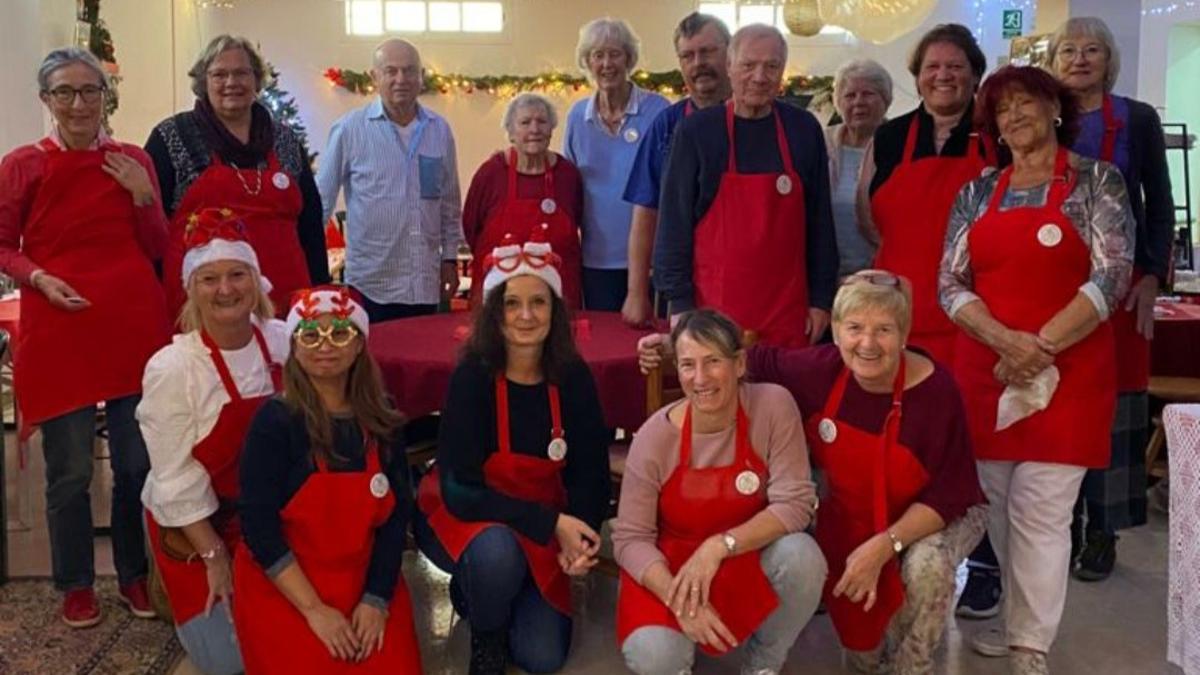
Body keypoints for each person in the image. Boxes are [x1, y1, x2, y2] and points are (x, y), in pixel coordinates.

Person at [636, 273, 988, 674]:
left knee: (926, 568)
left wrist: (885, 544)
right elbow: (749, 357)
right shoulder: (822, 370)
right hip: (854, 518)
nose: (867, 344)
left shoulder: (937, 391)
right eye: (855, 328)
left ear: (905, 333)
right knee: (864, 657)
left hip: (936, 517)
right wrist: (674, 345)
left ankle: (914, 666)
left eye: (883, 330)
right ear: (835, 333)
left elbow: (949, 495)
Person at [940, 66, 1134, 675]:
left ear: (1055, 108)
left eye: (1026, 103)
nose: (1014, 117)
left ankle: (1031, 646)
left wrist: (1039, 347)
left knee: (1042, 510)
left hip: (1069, 372)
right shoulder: (978, 191)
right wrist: (1006, 343)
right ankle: (1015, 620)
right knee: (996, 507)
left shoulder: (1097, 180)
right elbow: (949, 281)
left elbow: (1113, 273)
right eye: (1002, 110)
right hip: (987, 369)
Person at [0, 47, 170, 627]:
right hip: (59, 323)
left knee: (137, 463)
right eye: (65, 93)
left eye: (89, 92)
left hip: (130, 323)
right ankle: (75, 582)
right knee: (70, 468)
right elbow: (3, 245)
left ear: (105, 98)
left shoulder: (133, 161)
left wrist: (143, 196)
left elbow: (157, 246)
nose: (79, 104)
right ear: (47, 100)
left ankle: (133, 574)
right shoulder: (22, 164)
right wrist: (38, 277)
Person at [854, 23, 1001, 618]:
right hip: (900, 317)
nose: (943, 75)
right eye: (932, 66)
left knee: (972, 443)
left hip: (975, 318)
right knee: (898, 438)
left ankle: (985, 562)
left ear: (974, 73)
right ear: (916, 76)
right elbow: (870, 216)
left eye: (956, 66)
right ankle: (887, 553)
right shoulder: (891, 137)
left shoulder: (996, 139)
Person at [414, 239, 611, 674]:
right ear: (494, 312)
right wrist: (553, 525)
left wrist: (580, 536)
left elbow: (591, 473)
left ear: (555, 310)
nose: (526, 316)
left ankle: (495, 591)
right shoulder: (473, 375)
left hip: (539, 525)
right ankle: (485, 632)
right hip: (469, 518)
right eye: (513, 303)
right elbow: (461, 491)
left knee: (542, 658)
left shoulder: (574, 376)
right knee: (497, 555)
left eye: (538, 302)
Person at [615, 309, 826, 675]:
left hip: (741, 555)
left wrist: (717, 547)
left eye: (713, 362)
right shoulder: (654, 437)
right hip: (671, 570)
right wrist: (680, 601)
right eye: (687, 365)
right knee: (655, 656)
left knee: (803, 558)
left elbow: (795, 505)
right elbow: (630, 539)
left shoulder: (773, 406)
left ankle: (763, 663)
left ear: (740, 363)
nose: (700, 378)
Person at [234, 285, 422, 674]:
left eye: (339, 332)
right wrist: (315, 611)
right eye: (310, 335)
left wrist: (376, 599)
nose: (325, 346)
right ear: (294, 347)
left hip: (362, 576)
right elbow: (258, 529)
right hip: (287, 583)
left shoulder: (382, 418)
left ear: (359, 346)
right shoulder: (275, 422)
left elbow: (396, 517)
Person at [1049, 16, 1175, 581]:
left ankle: (1102, 529)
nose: (1079, 59)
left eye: (1091, 50)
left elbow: (1160, 198)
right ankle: (1060, 522)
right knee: (1058, 403)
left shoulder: (1137, 119)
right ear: (1053, 61)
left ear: (1109, 60)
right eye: (1068, 50)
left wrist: (1150, 274)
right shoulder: (1041, 116)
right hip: (1049, 285)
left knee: (1115, 409)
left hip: (1121, 289)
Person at [139, 208, 287, 675]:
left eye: (237, 274)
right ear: (191, 288)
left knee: (294, 644)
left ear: (255, 279)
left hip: (270, 519)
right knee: (233, 665)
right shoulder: (174, 368)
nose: (225, 289)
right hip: (196, 528)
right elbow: (173, 476)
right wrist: (214, 555)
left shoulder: (284, 343)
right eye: (209, 278)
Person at [654, 23, 837, 348]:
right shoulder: (697, 132)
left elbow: (820, 223)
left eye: (772, 66)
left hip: (788, 313)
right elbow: (673, 223)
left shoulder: (803, 129)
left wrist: (821, 299)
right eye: (748, 65)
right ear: (729, 67)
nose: (760, 76)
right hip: (713, 314)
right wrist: (680, 304)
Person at [146, 35, 329, 317]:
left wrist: (319, 293)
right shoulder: (171, 136)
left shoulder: (284, 139)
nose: (232, 83)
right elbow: (153, 226)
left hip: (287, 300)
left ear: (256, 80)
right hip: (207, 305)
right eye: (219, 74)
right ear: (203, 82)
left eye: (242, 73)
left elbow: (310, 225)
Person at [317, 38, 464, 323]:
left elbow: (449, 202)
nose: (401, 79)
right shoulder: (349, 130)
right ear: (374, 77)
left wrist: (449, 260)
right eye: (391, 71)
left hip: (424, 283)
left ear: (420, 77)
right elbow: (322, 200)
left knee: (418, 362)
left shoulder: (439, 130)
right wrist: (311, 266)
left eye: (410, 71)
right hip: (371, 284)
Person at [620, 12, 731, 325]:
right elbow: (645, 211)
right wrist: (636, 293)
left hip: (749, 282)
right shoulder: (667, 125)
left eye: (708, 52)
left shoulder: (755, 119)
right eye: (688, 56)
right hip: (683, 288)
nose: (698, 63)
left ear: (730, 52)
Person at [564, 17, 670, 311]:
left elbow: (673, 186)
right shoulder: (576, 117)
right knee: (604, 345)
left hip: (651, 260)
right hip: (596, 261)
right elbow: (568, 185)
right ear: (587, 62)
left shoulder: (658, 111)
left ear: (629, 59)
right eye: (598, 55)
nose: (607, 63)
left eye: (615, 53)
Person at [462, 93, 583, 309]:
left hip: (557, 298)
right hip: (497, 297)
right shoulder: (490, 173)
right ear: (510, 132)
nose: (534, 129)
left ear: (551, 129)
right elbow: (471, 227)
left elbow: (580, 221)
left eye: (542, 122)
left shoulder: (567, 174)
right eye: (525, 122)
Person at [826, 59, 891, 278]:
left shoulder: (898, 146)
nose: (859, 102)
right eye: (850, 95)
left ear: (885, 99)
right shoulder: (821, 144)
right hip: (826, 275)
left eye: (868, 94)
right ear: (838, 102)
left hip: (881, 274)